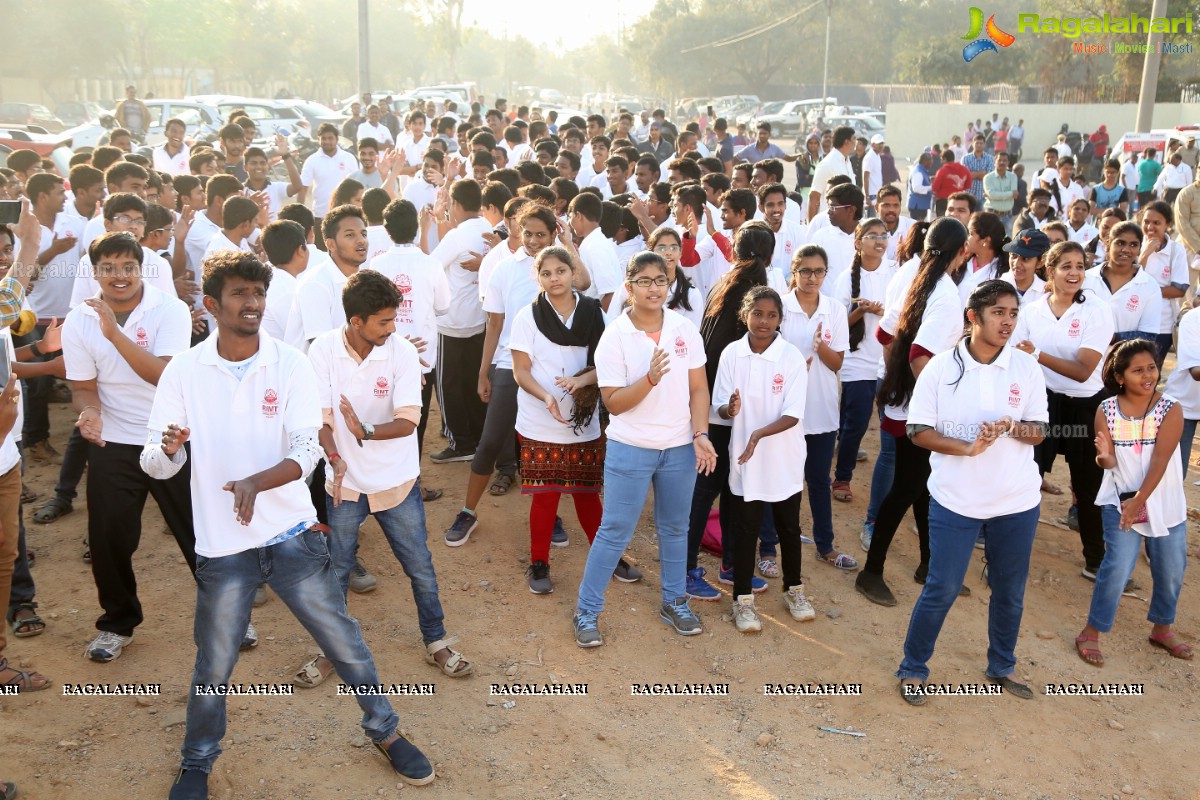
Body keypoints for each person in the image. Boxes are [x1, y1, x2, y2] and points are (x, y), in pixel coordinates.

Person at [142, 251, 435, 797]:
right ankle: (198, 762)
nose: (253, 303)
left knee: (343, 641)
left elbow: (306, 452)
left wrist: (256, 482)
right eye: (239, 294)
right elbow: (156, 464)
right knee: (215, 660)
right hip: (224, 543)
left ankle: (386, 732)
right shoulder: (184, 371)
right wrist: (168, 451)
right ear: (211, 304)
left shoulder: (289, 363)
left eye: (259, 293)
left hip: (292, 532)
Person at [301, 269, 471, 689]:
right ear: (356, 322)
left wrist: (366, 431)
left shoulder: (401, 353)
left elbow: (409, 420)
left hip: (397, 482)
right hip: (344, 484)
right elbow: (320, 419)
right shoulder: (321, 351)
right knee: (336, 571)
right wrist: (336, 456)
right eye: (384, 321)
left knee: (420, 567)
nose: (393, 329)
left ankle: (436, 642)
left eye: (394, 319)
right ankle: (332, 652)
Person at [896, 280, 1048, 704]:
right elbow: (917, 430)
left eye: (1014, 313)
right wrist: (966, 447)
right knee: (942, 586)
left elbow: (1039, 432)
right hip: (955, 499)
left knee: (1010, 589)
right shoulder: (941, 368)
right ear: (973, 317)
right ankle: (913, 667)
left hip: (1016, 501)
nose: (1008, 321)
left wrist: (1012, 427)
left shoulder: (1026, 368)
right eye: (999, 312)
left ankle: (1002, 665)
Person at [61, 231, 198, 662]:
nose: (118, 276)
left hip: (171, 433)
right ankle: (117, 624)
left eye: (127, 267)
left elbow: (163, 377)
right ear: (94, 272)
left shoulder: (169, 309)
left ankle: (228, 615)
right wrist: (89, 412)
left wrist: (115, 333)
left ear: (141, 269)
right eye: (108, 268)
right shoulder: (79, 321)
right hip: (114, 441)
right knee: (108, 537)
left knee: (200, 533)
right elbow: (83, 386)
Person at [572, 251, 717, 647]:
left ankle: (674, 602)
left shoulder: (685, 329)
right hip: (630, 448)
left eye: (660, 280)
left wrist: (701, 433)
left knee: (674, 528)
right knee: (615, 531)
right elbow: (614, 402)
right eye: (644, 281)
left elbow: (698, 387)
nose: (654, 288)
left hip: (679, 449)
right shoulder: (615, 336)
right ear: (629, 285)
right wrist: (650, 379)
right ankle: (586, 610)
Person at [443, 204, 589, 544]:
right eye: (529, 233)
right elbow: (494, 324)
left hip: (552, 368)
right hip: (510, 364)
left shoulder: (563, 267)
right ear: (517, 231)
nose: (535, 240)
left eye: (542, 233)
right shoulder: (503, 268)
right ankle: (468, 511)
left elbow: (585, 282)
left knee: (543, 444)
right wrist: (484, 372)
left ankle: (549, 516)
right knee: (492, 439)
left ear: (553, 233)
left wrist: (567, 243)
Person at [856, 217, 971, 606]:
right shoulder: (945, 295)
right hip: (919, 406)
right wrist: (937, 404)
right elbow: (922, 356)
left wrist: (895, 380)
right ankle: (871, 571)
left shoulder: (912, 274)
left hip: (902, 398)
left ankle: (929, 564)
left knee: (920, 483)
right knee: (908, 486)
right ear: (960, 253)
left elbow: (885, 335)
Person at [510, 246, 638, 592]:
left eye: (560, 271)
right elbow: (521, 372)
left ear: (572, 273)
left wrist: (581, 382)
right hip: (539, 418)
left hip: (583, 419)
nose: (555, 279)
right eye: (547, 273)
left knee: (586, 493)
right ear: (538, 277)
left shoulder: (595, 314)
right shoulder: (527, 317)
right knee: (545, 494)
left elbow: (610, 365)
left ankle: (610, 559)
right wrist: (547, 396)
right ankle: (539, 564)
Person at [1075, 339, 1192, 667]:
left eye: (1152, 367)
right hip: (1120, 503)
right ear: (1121, 376)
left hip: (1164, 504)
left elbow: (1161, 461)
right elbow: (1109, 463)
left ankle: (1162, 628)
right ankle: (1090, 632)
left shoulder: (1171, 408)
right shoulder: (1106, 410)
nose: (1148, 375)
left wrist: (1139, 500)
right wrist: (1104, 457)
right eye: (1138, 370)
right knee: (1117, 569)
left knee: (1171, 570)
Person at [713, 285, 815, 632]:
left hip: (783, 457)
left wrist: (757, 433)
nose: (764, 321)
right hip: (745, 460)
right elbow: (720, 408)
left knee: (788, 527)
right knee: (745, 530)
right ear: (745, 315)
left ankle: (794, 588)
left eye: (772, 315)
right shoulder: (731, 354)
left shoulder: (791, 358)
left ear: (780, 319)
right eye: (757, 313)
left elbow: (793, 414)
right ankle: (742, 600)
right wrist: (730, 408)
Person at [1013, 241, 1115, 579]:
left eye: (1080, 266)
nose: (1074, 273)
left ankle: (1096, 559)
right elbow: (1017, 359)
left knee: (1088, 484)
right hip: (1042, 402)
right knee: (1027, 474)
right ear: (1049, 270)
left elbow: (1084, 369)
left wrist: (1037, 354)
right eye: (1066, 266)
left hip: (1085, 405)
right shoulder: (1030, 310)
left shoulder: (1097, 310)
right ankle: (1005, 544)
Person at [684, 224, 775, 600]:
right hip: (728, 408)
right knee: (712, 491)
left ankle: (729, 565)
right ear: (769, 256)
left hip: (716, 403)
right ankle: (688, 571)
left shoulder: (725, 283)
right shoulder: (749, 291)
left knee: (726, 491)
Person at [780, 245, 857, 569]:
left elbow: (838, 362)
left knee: (819, 479)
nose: (812, 278)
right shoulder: (780, 307)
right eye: (806, 271)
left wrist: (820, 346)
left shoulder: (834, 310)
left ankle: (825, 545)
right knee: (782, 479)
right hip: (784, 410)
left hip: (822, 410)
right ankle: (770, 547)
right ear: (794, 272)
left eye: (819, 271)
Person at [428, 179, 493, 464]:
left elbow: (431, 267)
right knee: (473, 382)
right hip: (480, 322)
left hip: (452, 323)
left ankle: (461, 442)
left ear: (455, 205)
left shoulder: (456, 235)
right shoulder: (490, 231)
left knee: (448, 386)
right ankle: (477, 438)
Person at [831, 219, 895, 502]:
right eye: (873, 236)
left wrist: (885, 313)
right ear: (858, 244)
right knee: (855, 423)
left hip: (888, 360)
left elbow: (904, 312)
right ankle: (842, 478)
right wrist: (861, 312)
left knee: (890, 422)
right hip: (857, 362)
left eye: (884, 236)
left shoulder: (894, 272)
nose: (880, 241)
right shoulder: (845, 279)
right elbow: (837, 325)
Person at [605, 227, 703, 330]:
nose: (668, 252)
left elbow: (691, 335)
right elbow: (612, 323)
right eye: (662, 248)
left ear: (680, 253)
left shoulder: (691, 294)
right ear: (650, 251)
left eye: (674, 248)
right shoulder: (631, 285)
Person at [1137, 200, 1189, 365]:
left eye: (1156, 223)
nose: (1150, 227)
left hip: (1163, 324)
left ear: (1168, 224)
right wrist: (1144, 255)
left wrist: (1147, 292)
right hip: (1135, 321)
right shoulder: (1135, 245)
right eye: (1146, 222)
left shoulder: (1176, 250)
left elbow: (1179, 289)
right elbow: (1130, 283)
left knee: (1154, 369)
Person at [300, 123, 360, 220]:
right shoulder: (311, 160)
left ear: (337, 139)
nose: (327, 141)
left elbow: (357, 186)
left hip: (346, 214)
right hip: (320, 215)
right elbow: (303, 188)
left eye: (330, 138)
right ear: (318, 139)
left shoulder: (349, 158)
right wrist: (299, 214)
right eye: (323, 138)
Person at [808, 126, 856, 222]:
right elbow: (814, 196)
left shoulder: (847, 161)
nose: (856, 142)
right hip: (828, 223)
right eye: (854, 139)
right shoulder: (827, 164)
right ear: (847, 142)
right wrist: (811, 227)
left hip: (847, 223)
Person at [1001, 228, 1050, 305]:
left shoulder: (1047, 294)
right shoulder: (995, 288)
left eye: (1026, 259)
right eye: (1014, 255)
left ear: (1040, 263)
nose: (1017, 263)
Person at [931, 150, 971, 219]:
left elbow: (935, 187)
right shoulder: (965, 169)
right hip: (959, 200)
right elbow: (968, 185)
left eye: (941, 159)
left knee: (942, 223)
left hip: (943, 201)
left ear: (945, 159)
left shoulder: (942, 170)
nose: (941, 161)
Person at [908, 152, 934, 221]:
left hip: (921, 205)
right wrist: (931, 187)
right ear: (925, 161)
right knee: (918, 226)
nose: (931, 163)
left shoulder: (921, 170)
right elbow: (916, 188)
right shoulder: (918, 172)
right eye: (930, 161)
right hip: (917, 206)